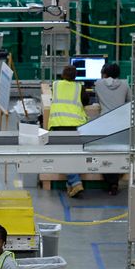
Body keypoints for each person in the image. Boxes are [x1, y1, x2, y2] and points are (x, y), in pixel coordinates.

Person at [93, 62, 133, 195]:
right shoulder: (126, 84)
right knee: (118, 152)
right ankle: (115, 181)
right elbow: (130, 101)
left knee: (105, 152)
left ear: (104, 73)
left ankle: (110, 182)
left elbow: (97, 99)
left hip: (105, 122)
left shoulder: (98, 84)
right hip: (120, 122)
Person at [49, 66, 88, 199]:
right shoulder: (79, 87)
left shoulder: (55, 85)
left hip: (58, 125)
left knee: (64, 156)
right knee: (75, 155)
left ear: (62, 75)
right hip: (76, 127)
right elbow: (86, 101)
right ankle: (75, 182)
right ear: (75, 77)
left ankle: (74, 183)